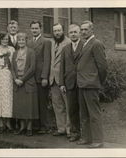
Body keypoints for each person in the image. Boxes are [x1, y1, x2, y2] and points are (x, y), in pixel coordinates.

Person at [76, 20, 107, 148]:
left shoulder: (96, 44)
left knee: (94, 113)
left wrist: (98, 81)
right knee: (83, 114)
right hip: (82, 84)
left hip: (91, 84)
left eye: (86, 29)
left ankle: (98, 140)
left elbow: (103, 66)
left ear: (92, 30)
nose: (83, 32)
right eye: (81, 30)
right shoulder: (85, 43)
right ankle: (86, 138)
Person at [59, 24, 84, 142]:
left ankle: (85, 133)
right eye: (71, 32)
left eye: (75, 32)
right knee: (72, 109)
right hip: (69, 83)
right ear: (68, 34)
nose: (73, 34)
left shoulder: (85, 46)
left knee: (84, 109)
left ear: (79, 33)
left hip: (83, 82)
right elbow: (61, 67)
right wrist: (61, 83)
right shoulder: (65, 49)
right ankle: (75, 133)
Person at [11, 33, 38, 136]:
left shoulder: (31, 52)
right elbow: (12, 68)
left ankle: (29, 128)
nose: (21, 42)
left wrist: (22, 79)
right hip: (17, 83)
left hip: (27, 82)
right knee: (20, 106)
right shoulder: (15, 53)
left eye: (23, 40)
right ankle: (22, 127)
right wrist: (15, 79)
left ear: (26, 41)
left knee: (29, 106)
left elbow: (32, 68)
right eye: (19, 40)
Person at [27, 21, 51, 134]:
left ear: (40, 28)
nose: (34, 30)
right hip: (31, 77)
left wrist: (45, 77)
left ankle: (44, 126)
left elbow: (47, 60)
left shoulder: (46, 42)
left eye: (36, 28)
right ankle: (36, 125)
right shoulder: (29, 42)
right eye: (32, 28)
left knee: (42, 102)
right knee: (34, 103)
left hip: (41, 77)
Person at [49, 23, 71, 137]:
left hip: (64, 79)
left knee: (68, 105)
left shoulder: (68, 42)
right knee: (57, 105)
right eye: (55, 31)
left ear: (63, 30)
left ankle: (69, 130)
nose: (57, 33)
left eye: (59, 30)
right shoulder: (52, 42)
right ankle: (61, 128)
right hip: (53, 79)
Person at [0, 32, 15, 134]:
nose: (5, 41)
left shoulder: (12, 50)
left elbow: (14, 65)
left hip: (9, 76)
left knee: (8, 99)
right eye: (3, 39)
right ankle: (0, 122)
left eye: (6, 39)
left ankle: (8, 122)